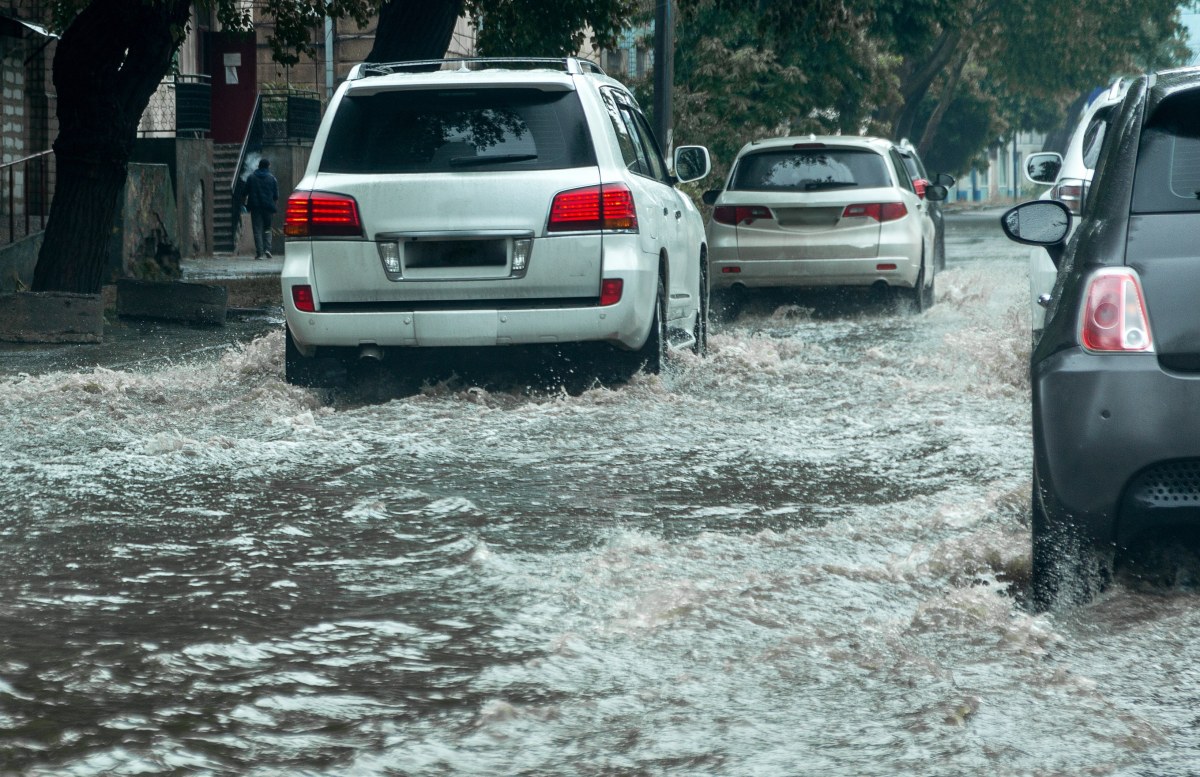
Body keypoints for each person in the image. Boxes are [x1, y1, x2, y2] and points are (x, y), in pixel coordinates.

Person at [244, 157, 279, 259]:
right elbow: (276, 196)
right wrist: (274, 208)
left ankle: (259, 253)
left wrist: (244, 204)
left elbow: (245, 192)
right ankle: (267, 249)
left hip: (255, 207)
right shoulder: (272, 178)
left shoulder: (251, 177)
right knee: (267, 228)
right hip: (268, 208)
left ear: (259, 166)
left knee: (257, 230)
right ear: (268, 166)